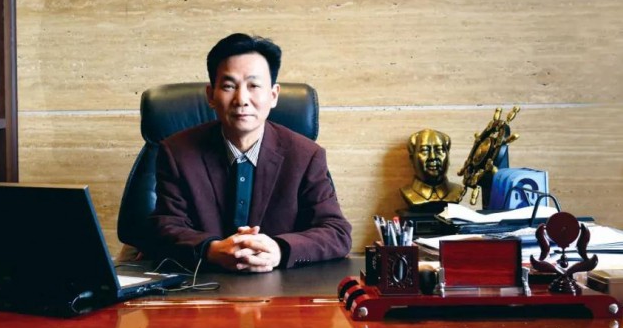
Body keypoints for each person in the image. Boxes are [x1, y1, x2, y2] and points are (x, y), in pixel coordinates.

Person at [150, 33, 352, 272]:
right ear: (211, 96)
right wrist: (211, 250)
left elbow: (336, 232)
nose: (241, 99)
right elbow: (164, 227)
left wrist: (279, 250)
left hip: (281, 286)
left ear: (273, 95)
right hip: (202, 283)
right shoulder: (177, 153)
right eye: (229, 86)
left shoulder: (306, 156)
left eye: (254, 86)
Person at [400, 129, 464, 207]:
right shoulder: (407, 193)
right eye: (425, 150)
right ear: (412, 159)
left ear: (448, 156)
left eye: (439, 150)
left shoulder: (458, 191)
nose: (433, 157)